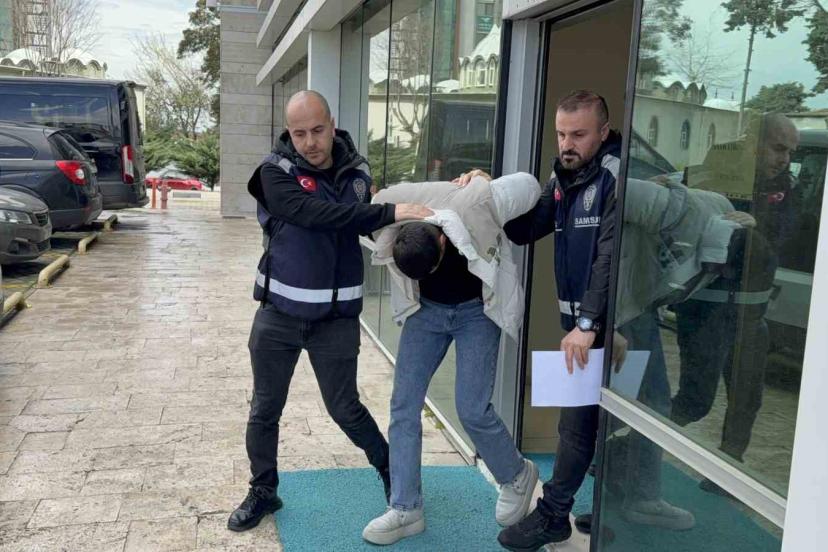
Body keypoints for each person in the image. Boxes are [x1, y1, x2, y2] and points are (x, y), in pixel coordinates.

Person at [495, 90, 693, 552]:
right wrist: (489, 196)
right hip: (585, 325)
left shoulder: (615, 177)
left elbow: (610, 256)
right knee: (598, 420)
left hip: (620, 322)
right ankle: (616, 500)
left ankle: (561, 514)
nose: (567, 144)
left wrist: (590, 324)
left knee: (618, 416)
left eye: (579, 135)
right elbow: (525, 230)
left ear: (603, 132)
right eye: (561, 134)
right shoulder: (564, 177)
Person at [228, 90, 432, 532]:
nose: (309, 142)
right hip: (278, 316)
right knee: (265, 409)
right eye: (299, 133)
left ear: (332, 124)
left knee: (345, 408)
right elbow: (312, 213)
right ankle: (263, 489)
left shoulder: (357, 171)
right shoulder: (273, 172)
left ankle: (391, 472)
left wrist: (463, 186)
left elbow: (367, 214)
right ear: (289, 132)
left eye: (317, 130)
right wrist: (384, 211)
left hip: (336, 320)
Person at [360, 171, 543, 545]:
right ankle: (406, 508)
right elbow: (357, 207)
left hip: (477, 310)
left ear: (442, 238)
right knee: (403, 405)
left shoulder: (476, 203)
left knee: (472, 409)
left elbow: (531, 185)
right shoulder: (388, 208)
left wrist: (490, 183)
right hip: (426, 311)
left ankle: (517, 475)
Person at [670, 113, 800, 490]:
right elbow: (683, 216)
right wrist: (671, 189)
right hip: (707, 310)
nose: (784, 159)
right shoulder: (715, 171)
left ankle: (727, 471)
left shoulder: (785, 191)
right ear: (752, 144)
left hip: (752, 313)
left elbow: (785, 240)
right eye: (778, 148)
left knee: (747, 399)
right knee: (696, 400)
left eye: (790, 152)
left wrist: (757, 227)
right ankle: (626, 450)